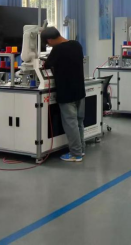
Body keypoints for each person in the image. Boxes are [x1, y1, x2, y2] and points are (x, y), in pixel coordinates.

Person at [41, 27, 86, 162]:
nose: (49, 46)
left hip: (67, 92)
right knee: (79, 122)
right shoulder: (76, 45)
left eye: (48, 43)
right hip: (79, 90)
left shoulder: (58, 49)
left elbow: (46, 65)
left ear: (50, 40)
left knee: (70, 123)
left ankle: (75, 154)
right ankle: (81, 149)